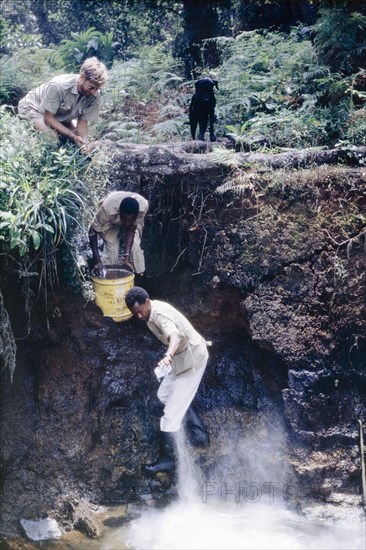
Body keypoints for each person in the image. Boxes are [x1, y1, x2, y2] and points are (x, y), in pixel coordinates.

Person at [125, 286, 210, 474]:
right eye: (135, 314)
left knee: (169, 418)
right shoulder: (149, 314)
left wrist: (168, 356)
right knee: (164, 395)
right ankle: (198, 431)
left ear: (147, 301)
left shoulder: (160, 315)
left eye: (140, 311)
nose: (139, 316)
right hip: (180, 361)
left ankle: (168, 461)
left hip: (191, 362)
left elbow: (175, 336)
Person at [18, 57, 108, 150]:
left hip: (59, 115)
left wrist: (85, 143)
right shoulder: (58, 85)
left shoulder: (95, 95)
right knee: (52, 138)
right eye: (91, 87)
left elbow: (83, 121)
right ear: (82, 78)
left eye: (97, 88)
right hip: (34, 108)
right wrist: (71, 135)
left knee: (78, 143)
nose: (94, 92)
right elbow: (48, 118)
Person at [89, 191, 149, 276]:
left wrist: (126, 257)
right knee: (112, 248)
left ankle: (140, 277)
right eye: (124, 220)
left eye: (131, 220)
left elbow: (131, 230)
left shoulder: (143, 208)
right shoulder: (106, 209)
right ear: (119, 213)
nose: (127, 224)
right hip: (110, 218)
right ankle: (107, 274)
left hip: (131, 214)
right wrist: (97, 261)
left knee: (135, 248)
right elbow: (92, 231)